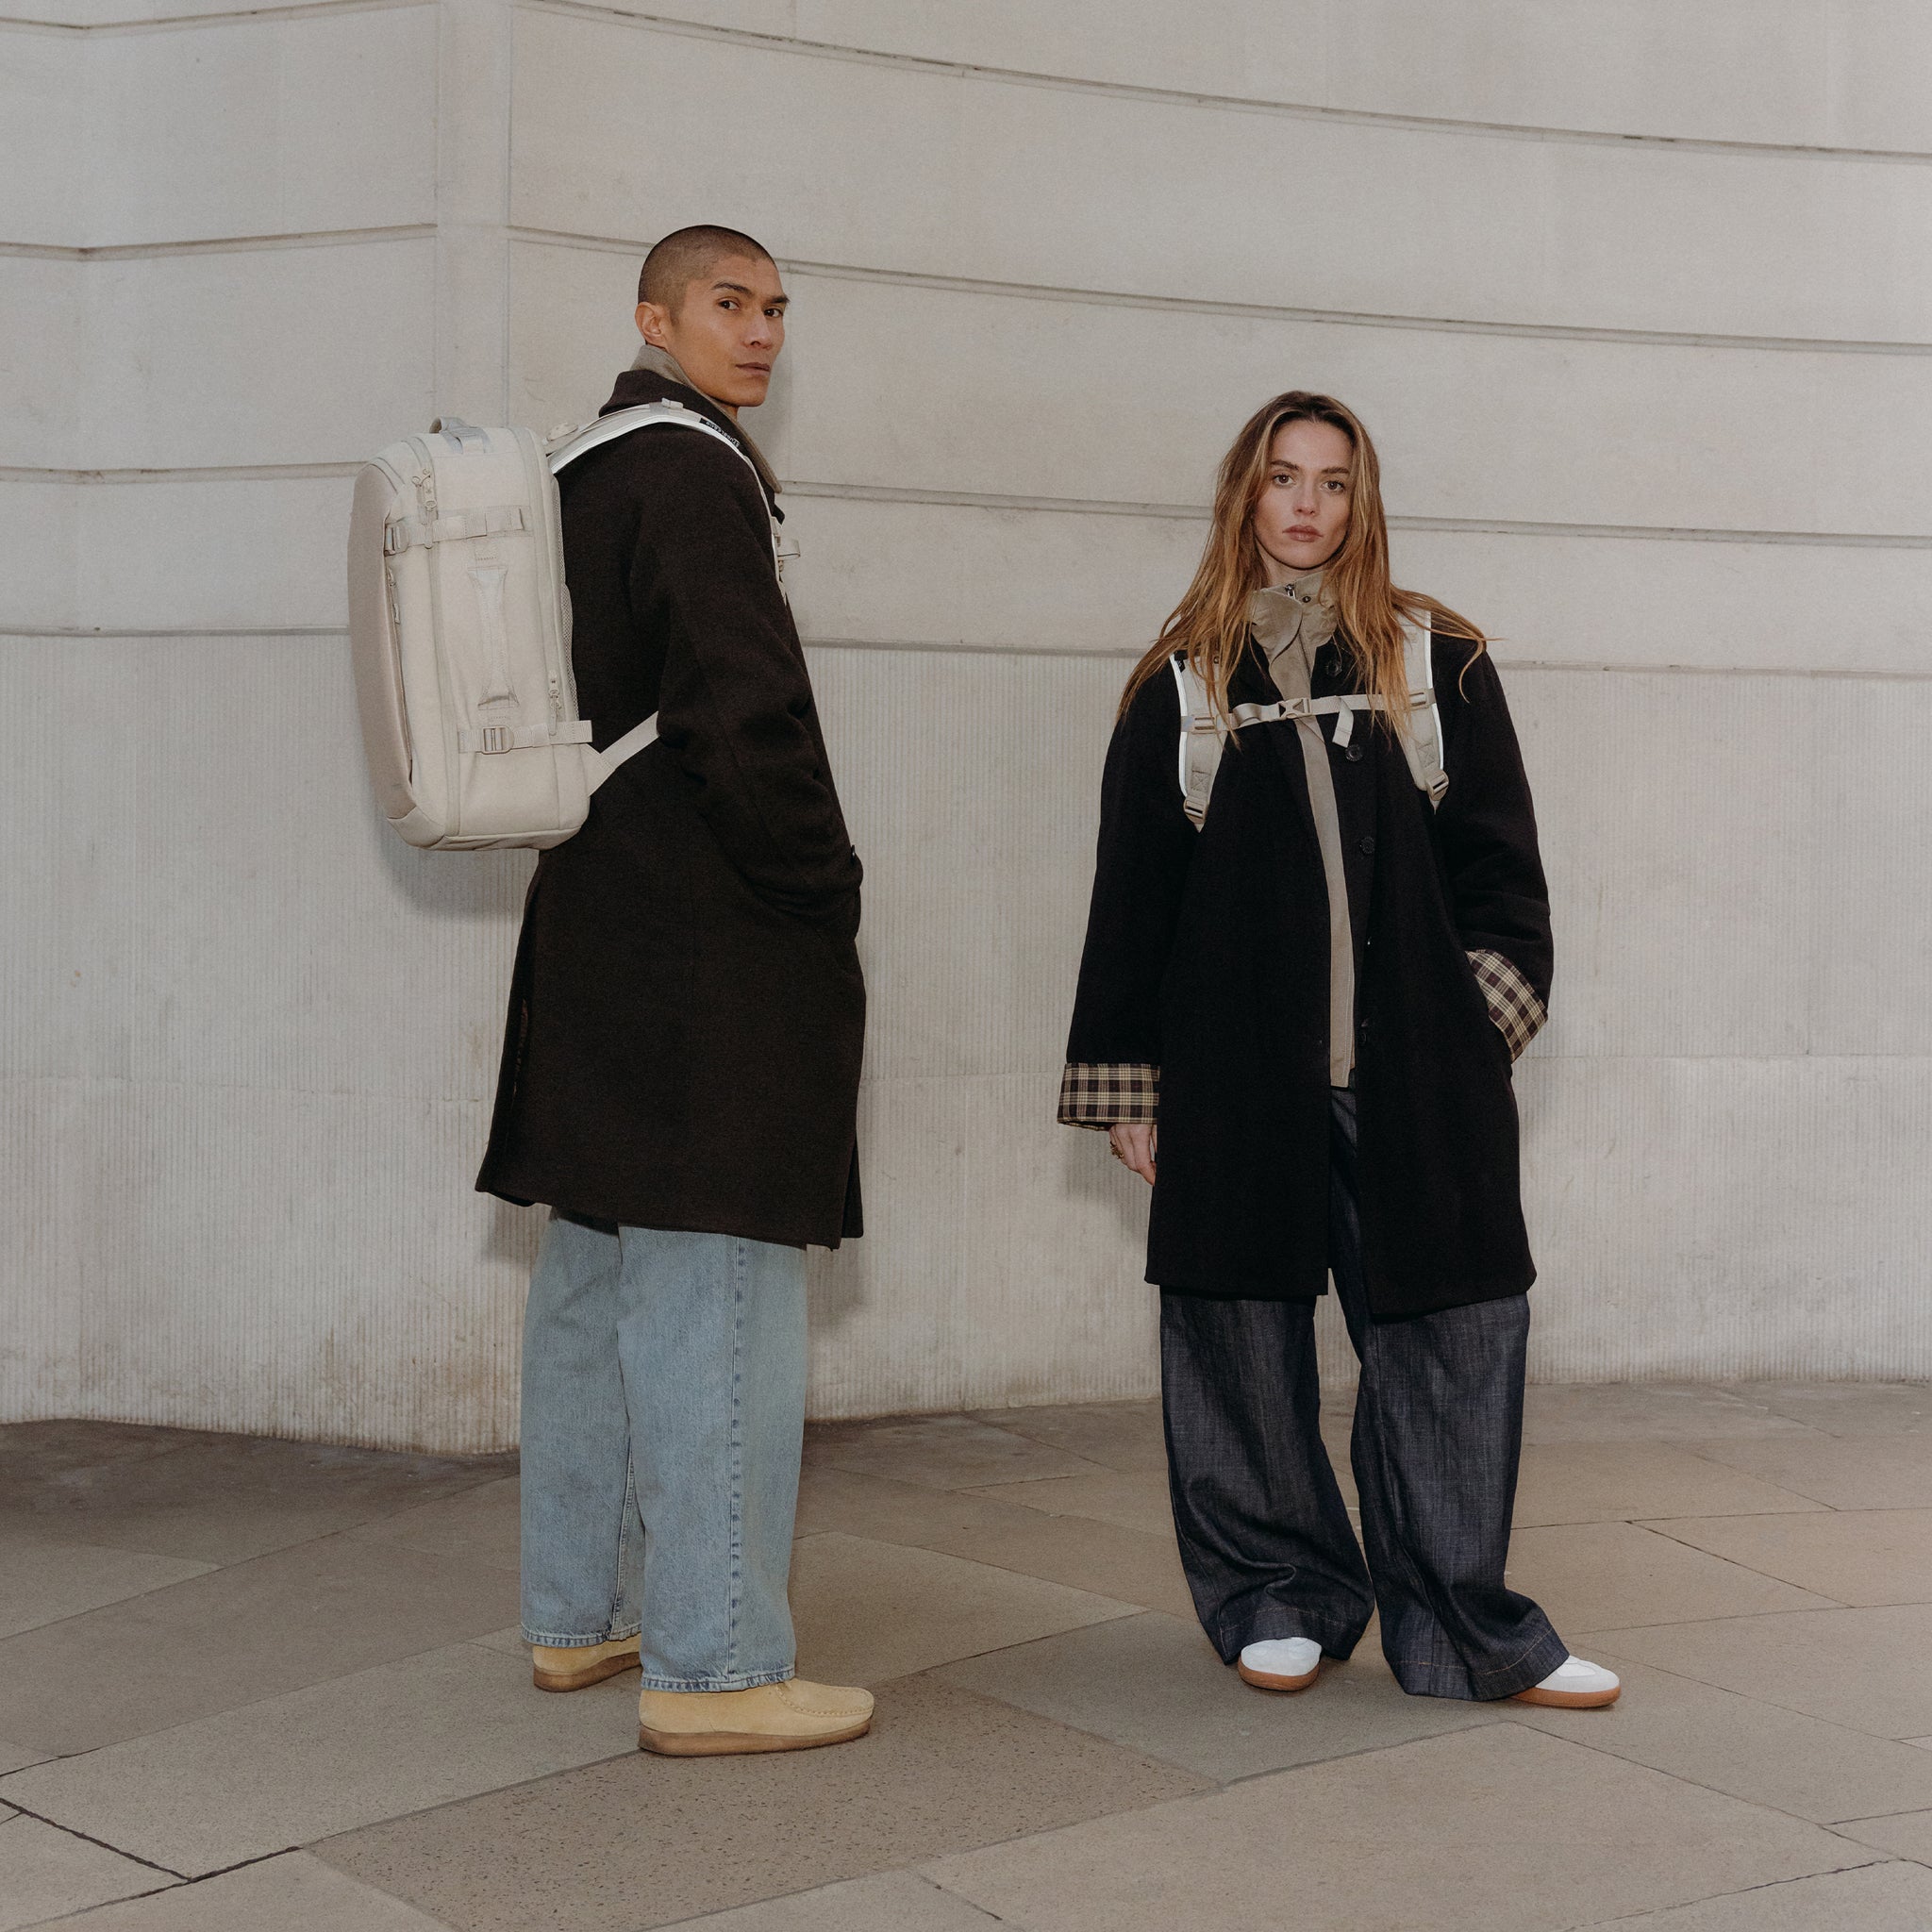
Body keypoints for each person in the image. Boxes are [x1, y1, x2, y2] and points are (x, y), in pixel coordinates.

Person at [1057, 391, 1619, 1711]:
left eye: (1334, 482)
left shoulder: (1442, 660)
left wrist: (1475, 1037)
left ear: (1364, 502)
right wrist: (1132, 1086)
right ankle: (1276, 1592)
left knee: (1455, 1332)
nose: (1307, 504)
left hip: (1419, 1077)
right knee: (1236, 1330)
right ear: (1242, 499)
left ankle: (1466, 1628)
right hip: (1238, 1075)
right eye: (1282, 479)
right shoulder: (1181, 679)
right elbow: (1132, 897)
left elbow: (1508, 883)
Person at [477, 225, 874, 1755]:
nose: (762, 332)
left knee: (590, 1282)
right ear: (656, 315)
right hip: (704, 944)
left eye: (778, 308)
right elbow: (745, 709)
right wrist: (822, 890)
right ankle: (715, 1667)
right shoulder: (695, 472)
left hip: (596, 919)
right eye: (731, 304)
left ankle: (582, 1619)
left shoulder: (586, 467)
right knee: (715, 1286)